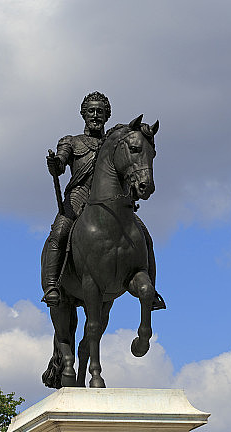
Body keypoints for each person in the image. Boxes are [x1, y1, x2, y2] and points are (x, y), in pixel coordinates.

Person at [41, 92, 165, 310]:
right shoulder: (71, 142)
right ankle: (52, 285)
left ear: (107, 115)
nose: (96, 115)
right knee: (59, 233)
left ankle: (151, 292)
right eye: (91, 111)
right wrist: (56, 164)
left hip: (112, 201)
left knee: (144, 235)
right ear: (83, 114)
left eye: (100, 111)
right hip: (79, 196)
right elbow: (61, 163)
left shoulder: (116, 141)